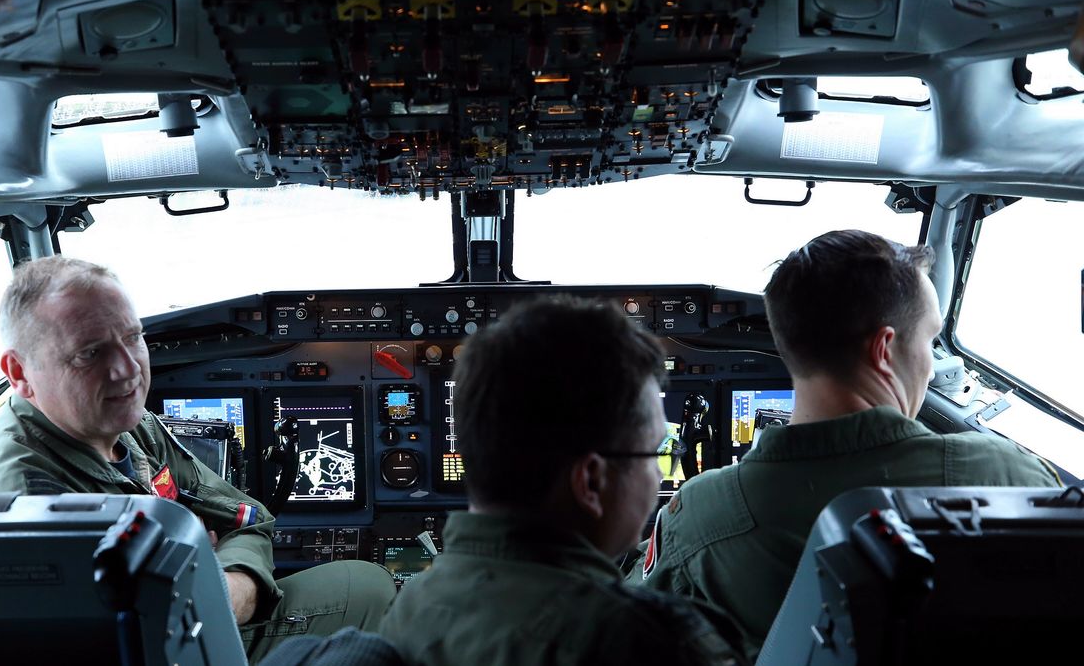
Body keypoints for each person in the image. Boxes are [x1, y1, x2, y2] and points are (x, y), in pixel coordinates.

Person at [632, 230, 1061, 653]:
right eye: (930, 341)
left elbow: (620, 629)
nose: (931, 370)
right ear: (884, 349)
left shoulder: (699, 519)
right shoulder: (1007, 475)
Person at [0, 256, 396, 665]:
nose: (127, 369)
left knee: (369, 583)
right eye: (90, 353)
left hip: (200, 616)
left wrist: (229, 586)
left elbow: (249, 518)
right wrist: (200, 573)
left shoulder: (128, 424)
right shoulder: (27, 498)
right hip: (165, 650)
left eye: (132, 337)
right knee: (375, 604)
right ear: (19, 373)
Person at [377, 296, 748, 666]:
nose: (656, 475)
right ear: (590, 480)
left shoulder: (407, 608)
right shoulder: (645, 641)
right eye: (656, 452)